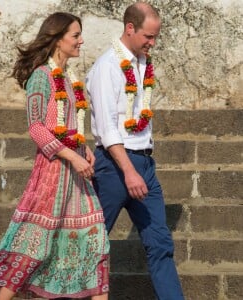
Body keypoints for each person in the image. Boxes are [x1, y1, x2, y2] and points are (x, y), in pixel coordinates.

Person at [0, 12, 110, 300]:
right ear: (57, 38)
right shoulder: (41, 76)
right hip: (52, 175)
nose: (81, 40)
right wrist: (71, 156)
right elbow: (36, 127)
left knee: (95, 242)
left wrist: (81, 146)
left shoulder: (70, 78)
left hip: (77, 176)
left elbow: (69, 126)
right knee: (33, 245)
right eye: (75, 35)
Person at [86, 2, 184, 300]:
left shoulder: (143, 63)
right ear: (130, 28)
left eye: (155, 37)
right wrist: (128, 171)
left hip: (144, 163)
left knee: (160, 244)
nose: (152, 43)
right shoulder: (106, 67)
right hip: (115, 166)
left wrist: (139, 169)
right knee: (91, 243)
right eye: (148, 37)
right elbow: (107, 126)